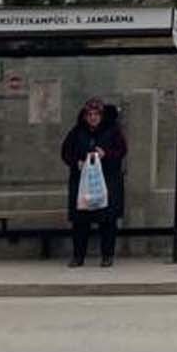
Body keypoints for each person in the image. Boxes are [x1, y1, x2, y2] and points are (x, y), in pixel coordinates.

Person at [60, 97, 128, 268]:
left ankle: (107, 255)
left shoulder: (113, 131)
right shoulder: (77, 132)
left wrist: (107, 155)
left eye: (96, 114)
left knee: (107, 221)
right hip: (82, 183)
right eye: (89, 114)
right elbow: (66, 152)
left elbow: (122, 151)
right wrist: (77, 162)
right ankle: (78, 256)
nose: (93, 118)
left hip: (107, 181)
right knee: (81, 222)